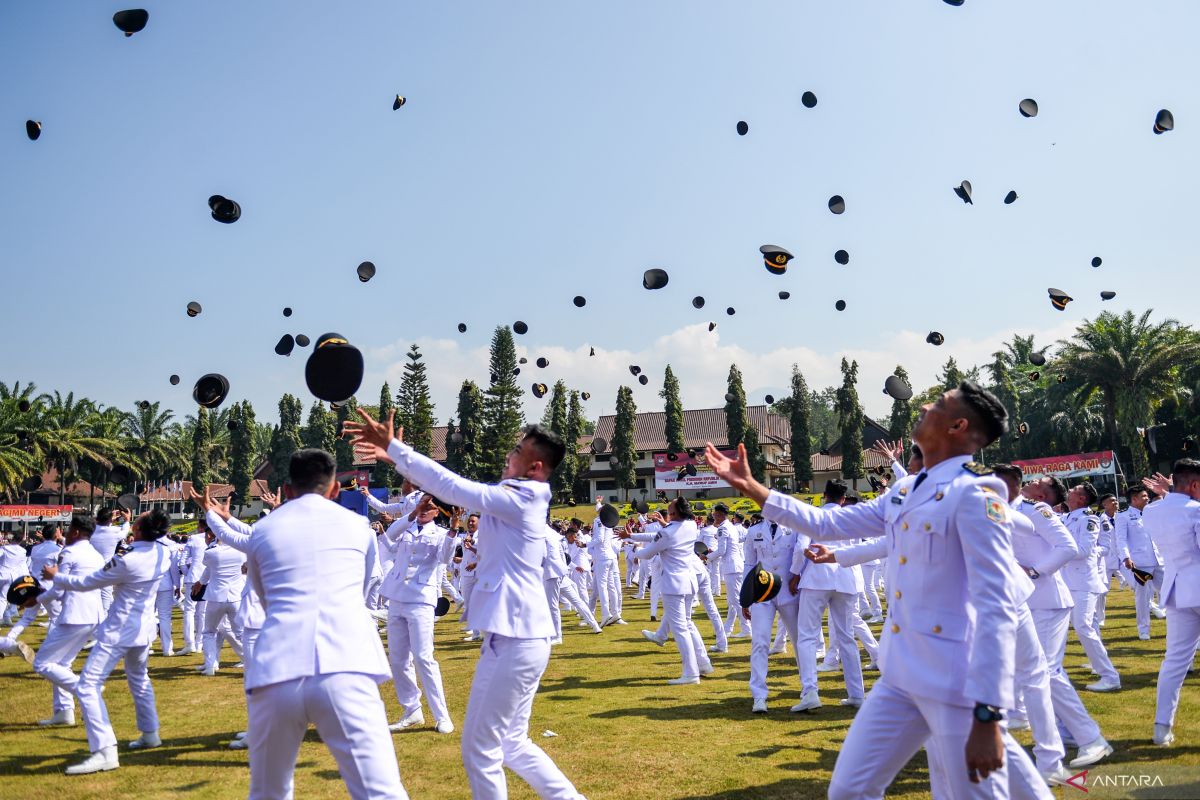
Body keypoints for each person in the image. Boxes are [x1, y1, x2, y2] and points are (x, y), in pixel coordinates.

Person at [704, 382, 1049, 799]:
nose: (925, 404)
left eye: (939, 404)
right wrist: (753, 488)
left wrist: (990, 713)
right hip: (900, 673)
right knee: (849, 790)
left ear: (959, 426)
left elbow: (996, 607)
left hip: (953, 678)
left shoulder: (976, 495)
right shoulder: (904, 491)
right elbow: (826, 525)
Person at [348, 410, 586, 800]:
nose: (509, 454)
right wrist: (403, 462)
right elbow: (450, 489)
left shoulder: (523, 496)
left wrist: (397, 448)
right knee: (511, 743)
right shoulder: (517, 495)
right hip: (511, 636)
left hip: (518, 638)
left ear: (536, 466)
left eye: (517, 450)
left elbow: (456, 487)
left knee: (482, 751)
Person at [243, 448, 406, 799]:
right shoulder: (357, 526)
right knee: (381, 791)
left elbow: (264, 595)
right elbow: (363, 588)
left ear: (287, 490)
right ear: (334, 490)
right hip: (346, 661)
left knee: (268, 792)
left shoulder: (263, 529)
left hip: (277, 664)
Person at [42, 508, 174, 775]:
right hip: (144, 628)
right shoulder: (164, 554)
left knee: (89, 686)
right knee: (139, 679)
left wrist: (57, 576)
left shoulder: (127, 560)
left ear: (137, 531)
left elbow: (88, 583)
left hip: (119, 630)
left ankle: (105, 752)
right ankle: (150, 733)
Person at [379, 493, 456, 735]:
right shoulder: (406, 526)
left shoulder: (442, 534)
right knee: (399, 660)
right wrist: (410, 515)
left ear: (437, 512)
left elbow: (445, 557)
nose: (424, 509)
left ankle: (441, 715)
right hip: (397, 597)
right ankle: (411, 710)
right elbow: (389, 539)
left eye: (430, 507)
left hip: (421, 599)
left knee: (424, 658)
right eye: (422, 505)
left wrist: (454, 530)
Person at [22, 515, 105, 727]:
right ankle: (64, 712)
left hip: (75, 615)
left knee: (42, 663)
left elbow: (59, 590)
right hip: (93, 615)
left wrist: (36, 599)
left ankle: (84, 689)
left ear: (76, 532)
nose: (64, 534)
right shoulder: (96, 554)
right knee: (62, 664)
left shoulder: (69, 552)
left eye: (68, 530)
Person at [622, 501, 712, 685]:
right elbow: (660, 534)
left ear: (675, 514)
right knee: (687, 624)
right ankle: (703, 664)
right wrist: (633, 535)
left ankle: (691, 673)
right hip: (688, 581)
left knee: (680, 629)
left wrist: (634, 548)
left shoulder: (668, 532)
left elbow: (648, 552)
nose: (667, 515)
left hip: (674, 584)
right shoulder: (691, 525)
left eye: (670, 512)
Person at [1142, 463, 1200, 746]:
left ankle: (1161, 728)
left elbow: (1171, 511)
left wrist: (1170, 492)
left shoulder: (1152, 510)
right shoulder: (1196, 510)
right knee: (1176, 661)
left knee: (1175, 662)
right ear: (1194, 486)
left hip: (1177, 590)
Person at [1060, 482, 1120, 692]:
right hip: (1069, 581)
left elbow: (1085, 550)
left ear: (1082, 499)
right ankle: (1097, 665)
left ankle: (1110, 676)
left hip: (1083, 581)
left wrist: (1059, 553)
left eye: (1073, 491)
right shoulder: (1066, 518)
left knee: (1083, 626)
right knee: (1089, 626)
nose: (1068, 492)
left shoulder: (1089, 520)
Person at [742, 515, 800, 712]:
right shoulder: (753, 531)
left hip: (789, 592)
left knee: (800, 641)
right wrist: (746, 596)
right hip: (762, 593)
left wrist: (797, 578)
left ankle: (809, 688)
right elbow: (749, 564)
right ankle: (759, 694)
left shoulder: (794, 528)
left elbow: (801, 557)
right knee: (759, 642)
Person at [194, 519, 246, 675]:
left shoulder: (211, 552)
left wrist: (201, 582)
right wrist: (201, 582)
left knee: (209, 632)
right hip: (235, 596)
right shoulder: (240, 551)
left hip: (216, 597)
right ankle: (252, 663)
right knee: (241, 633)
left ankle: (210, 665)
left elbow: (209, 567)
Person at [1117, 486, 1165, 639]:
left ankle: (1179, 627)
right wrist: (1126, 557)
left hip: (1159, 559)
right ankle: (1143, 630)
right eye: (1143, 496)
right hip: (1140, 563)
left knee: (1170, 592)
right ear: (1134, 499)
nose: (1147, 498)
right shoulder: (1123, 516)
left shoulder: (1151, 512)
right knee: (1143, 598)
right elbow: (1121, 539)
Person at [714, 503, 750, 638]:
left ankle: (747, 628)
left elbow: (722, 551)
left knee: (735, 600)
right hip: (736, 565)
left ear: (720, 515)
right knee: (733, 601)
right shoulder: (732, 526)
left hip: (731, 567)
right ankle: (727, 628)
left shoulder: (723, 528)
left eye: (715, 514)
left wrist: (707, 556)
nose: (714, 517)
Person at [179, 515, 208, 654]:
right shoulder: (215, 539)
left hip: (194, 576)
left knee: (189, 610)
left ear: (201, 527)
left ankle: (190, 642)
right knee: (201, 612)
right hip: (207, 577)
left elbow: (182, 562)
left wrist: (187, 573)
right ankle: (199, 643)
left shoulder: (193, 539)